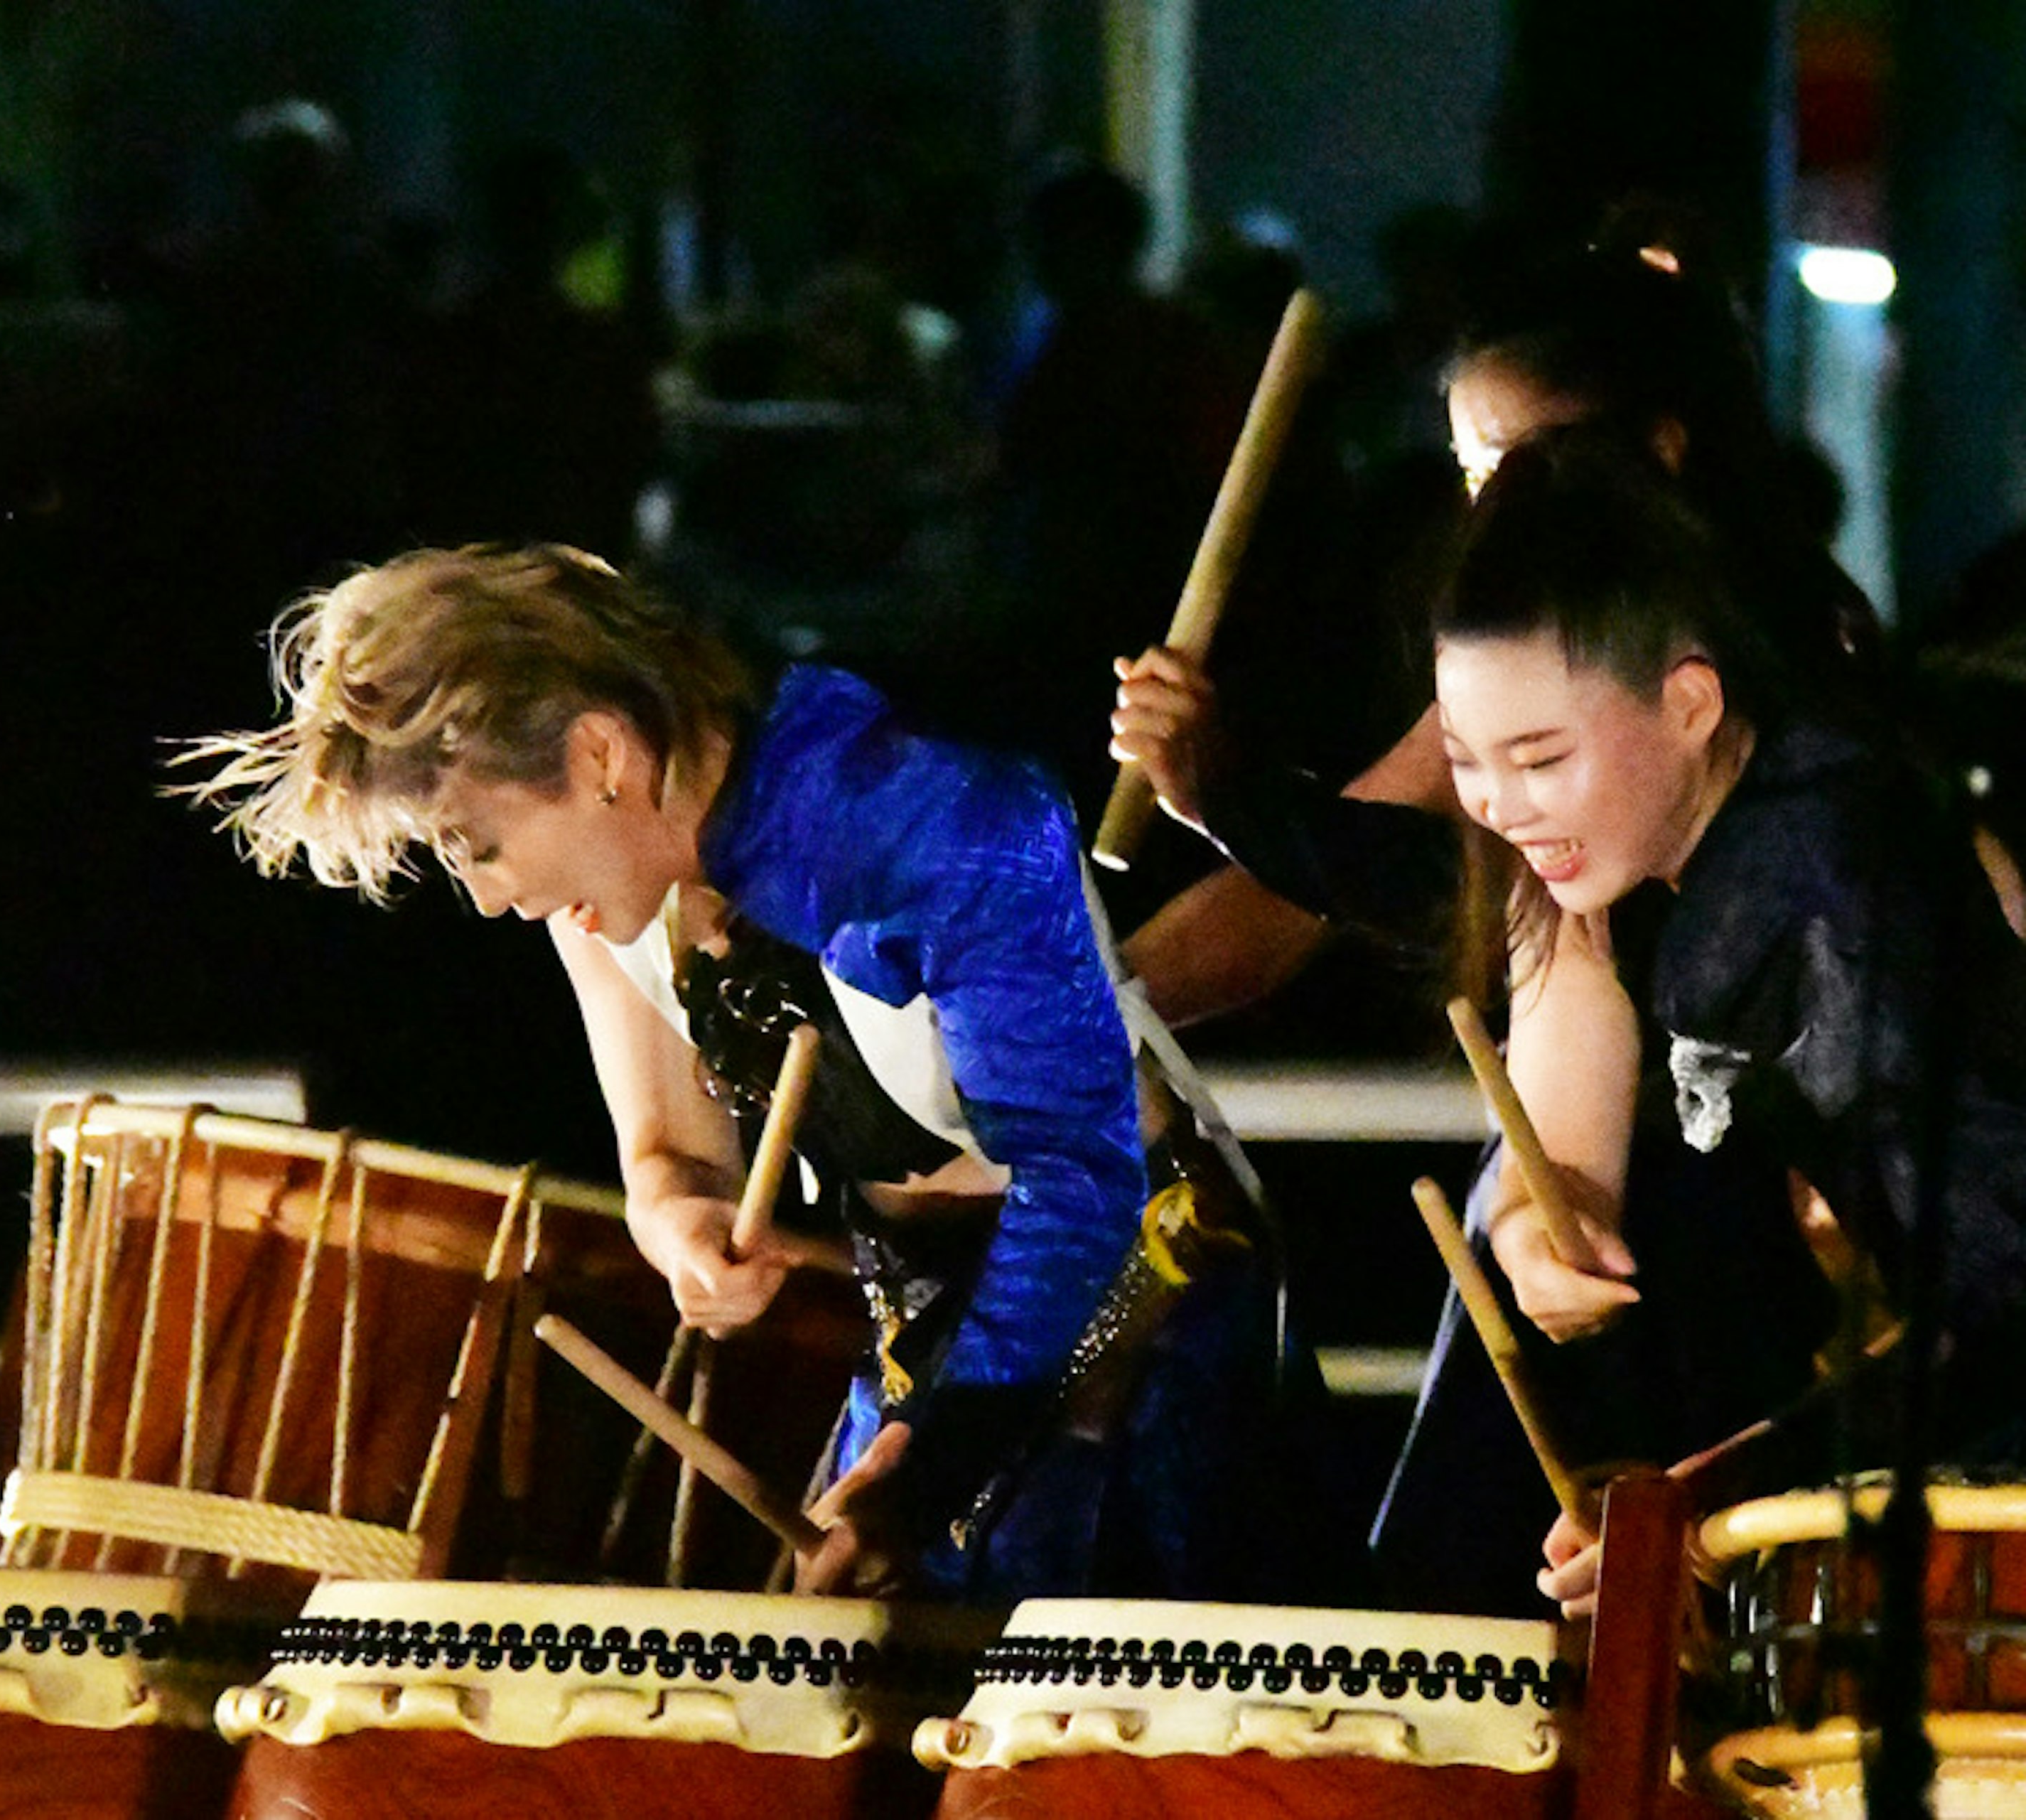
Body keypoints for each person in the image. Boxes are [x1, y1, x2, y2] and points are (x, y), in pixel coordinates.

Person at [172, 541, 1339, 1605]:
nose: (484, 893)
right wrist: (683, 1227)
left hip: (1138, 1300)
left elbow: (1086, 1181)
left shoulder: (943, 826)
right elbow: (668, 1155)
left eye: (476, 845)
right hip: (926, 1331)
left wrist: (936, 1459)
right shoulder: (606, 888)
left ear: (600, 752)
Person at [1109, 233, 1880, 1616]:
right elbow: (1543, 996)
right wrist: (1538, 1222)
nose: (1500, 814)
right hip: (1702, 1308)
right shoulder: (1564, 870)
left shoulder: (1848, 798)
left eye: (1543, 758)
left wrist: (1238, 801)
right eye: (1472, 475)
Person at [1431, 430, 2026, 1616]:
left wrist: (1711, 1503)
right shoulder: (1776, 821)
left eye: (1541, 757)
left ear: (1691, 699)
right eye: (1466, 762)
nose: (1502, 806)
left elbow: (2004, 1310)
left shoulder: (1809, 902)